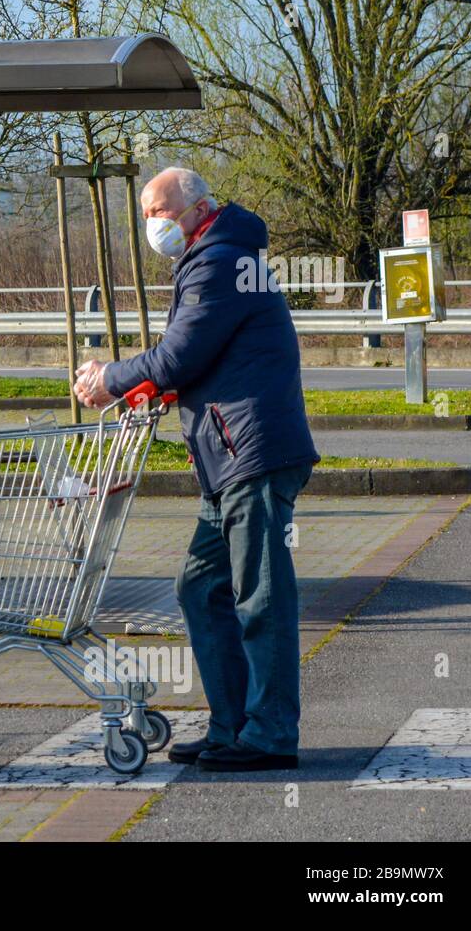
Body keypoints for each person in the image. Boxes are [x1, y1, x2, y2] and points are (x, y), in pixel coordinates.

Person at [73, 167, 319, 772]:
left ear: (198, 207)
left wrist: (110, 377)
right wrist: (152, 384)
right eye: (148, 214)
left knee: (259, 597)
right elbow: (197, 359)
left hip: (250, 454)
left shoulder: (217, 262)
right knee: (200, 588)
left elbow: (181, 353)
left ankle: (268, 736)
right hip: (229, 455)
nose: (154, 224)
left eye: (160, 210)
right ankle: (232, 724)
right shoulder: (220, 256)